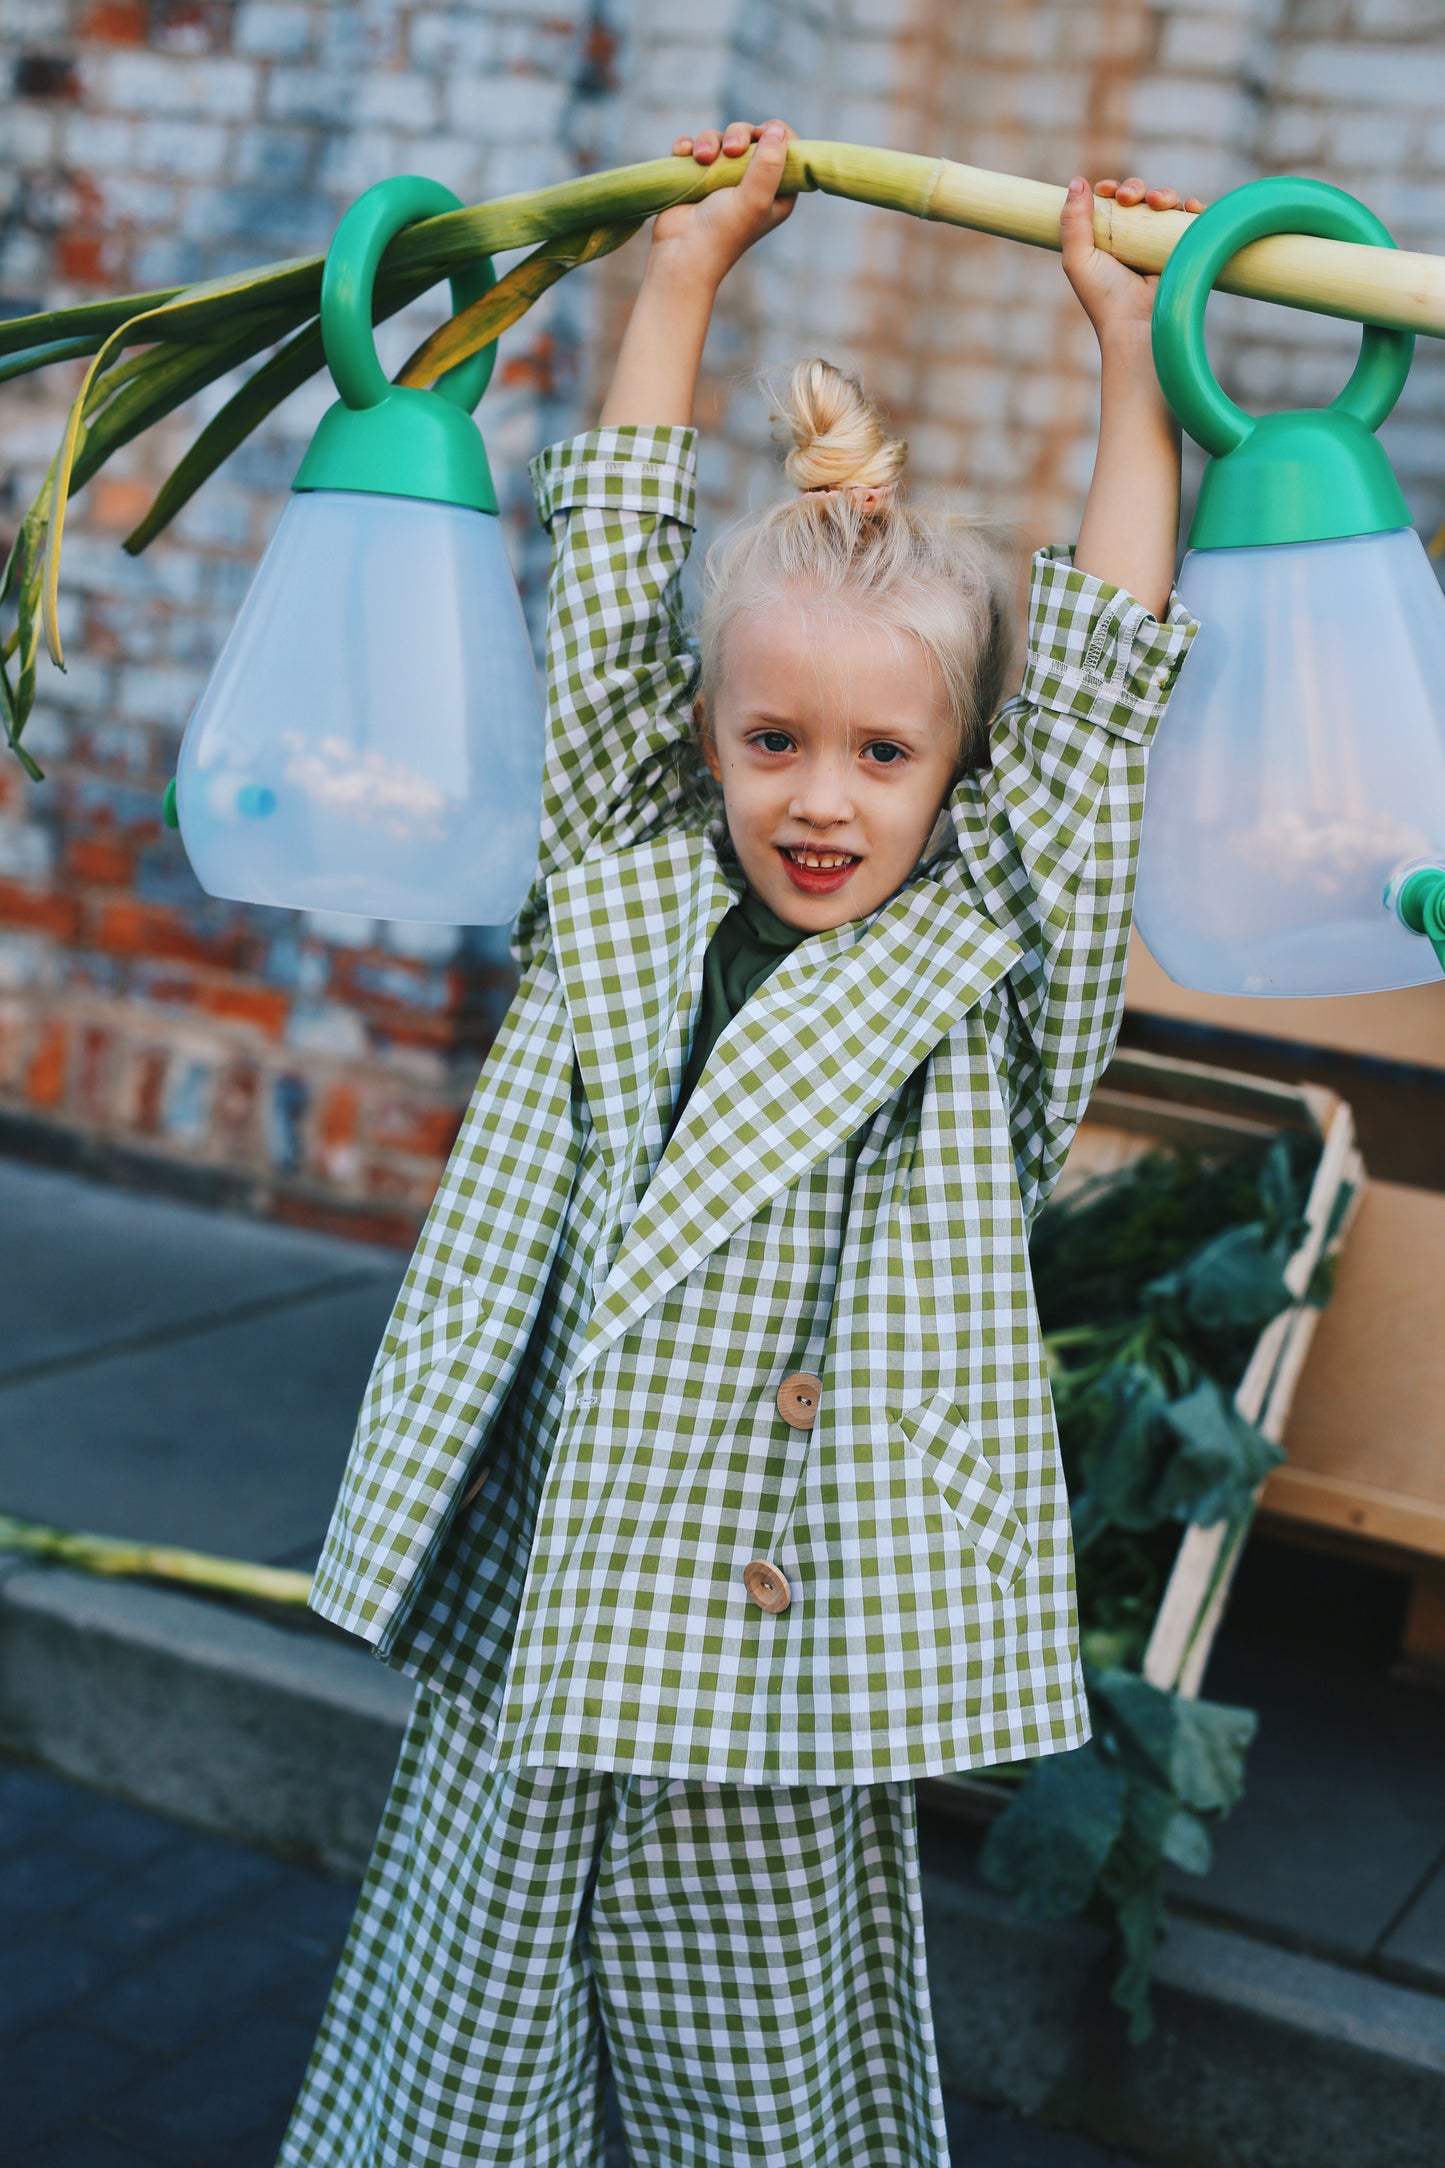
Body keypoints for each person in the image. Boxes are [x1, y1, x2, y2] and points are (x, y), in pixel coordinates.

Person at [280, 119, 1203, 2168]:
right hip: (550, 1602)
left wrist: (1128, 351)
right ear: (705, 738)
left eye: (885, 754)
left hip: (787, 1647)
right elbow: (615, 589)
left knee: (769, 2093)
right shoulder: (614, 883)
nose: (820, 798)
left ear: (958, 774)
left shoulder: (989, 974)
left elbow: (1106, 703)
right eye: (771, 738)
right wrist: (684, 269)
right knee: (463, 2059)